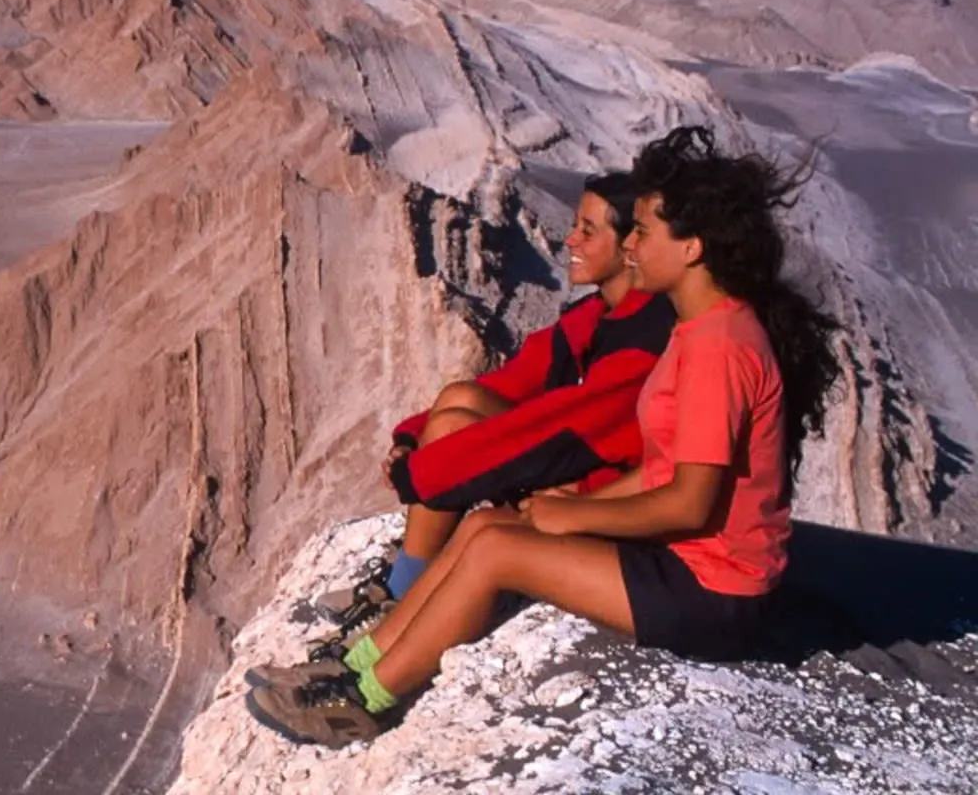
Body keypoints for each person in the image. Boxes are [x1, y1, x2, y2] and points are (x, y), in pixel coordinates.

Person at [245, 125, 842, 747]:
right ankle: (357, 663)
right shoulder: (700, 330)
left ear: (692, 247)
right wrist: (570, 510)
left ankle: (364, 702)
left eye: (643, 231)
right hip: (682, 562)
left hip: (713, 592)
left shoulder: (718, 348)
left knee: (498, 552)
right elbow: (665, 468)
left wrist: (576, 516)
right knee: (483, 528)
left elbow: (690, 502)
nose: (631, 246)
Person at [298, 171, 676, 653]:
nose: (570, 239)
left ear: (629, 246)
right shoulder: (597, 315)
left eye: (587, 229)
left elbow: (561, 429)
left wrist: (430, 472)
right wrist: (412, 438)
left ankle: (405, 593)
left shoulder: (644, 338)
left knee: (456, 425)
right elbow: (511, 384)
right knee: (460, 399)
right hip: (578, 467)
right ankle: (405, 585)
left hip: (599, 498)